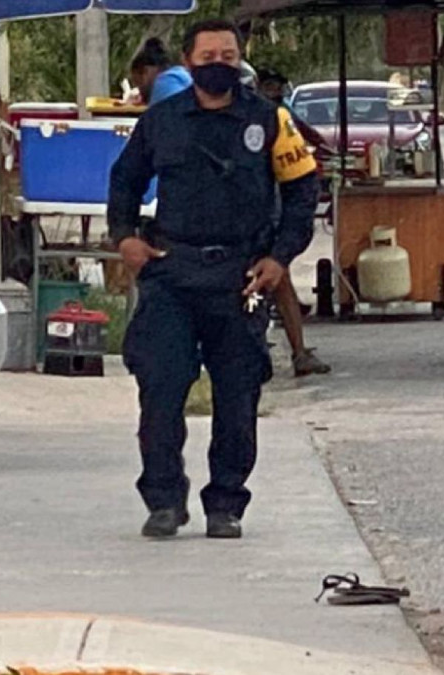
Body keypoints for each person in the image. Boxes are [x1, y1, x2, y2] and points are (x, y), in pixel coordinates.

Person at [108, 19, 319, 540]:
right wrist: (125, 238)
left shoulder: (270, 119)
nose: (218, 64)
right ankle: (163, 501)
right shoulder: (161, 120)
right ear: (188, 61)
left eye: (228, 55)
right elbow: (125, 179)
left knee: (238, 397)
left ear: (239, 60)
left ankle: (226, 503)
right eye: (208, 56)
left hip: (240, 277)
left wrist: (280, 257)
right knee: (160, 391)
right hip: (172, 273)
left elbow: (303, 190)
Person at [254, 67, 331, 377]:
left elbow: (308, 138)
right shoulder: (257, 115)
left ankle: (295, 351)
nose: (275, 91)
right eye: (270, 86)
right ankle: (292, 351)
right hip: (256, 219)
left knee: (276, 278)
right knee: (272, 281)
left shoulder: (277, 115)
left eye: (278, 86)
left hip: (270, 214)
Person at [129, 37, 193, 105]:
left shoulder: (163, 85)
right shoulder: (181, 75)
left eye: (138, 83)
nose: (140, 90)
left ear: (145, 71)